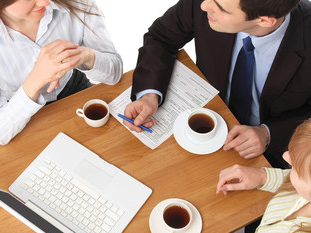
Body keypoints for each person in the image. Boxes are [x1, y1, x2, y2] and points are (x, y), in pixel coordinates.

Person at [122, 0, 311, 169]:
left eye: (220, 8)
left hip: (268, 155)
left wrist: (268, 134)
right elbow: (161, 37)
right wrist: (149, 95)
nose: (204, 5)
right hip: (201, 118)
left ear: (265, 20)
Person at [0, 0, 122, 145]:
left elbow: (115, 74)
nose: (45, 2)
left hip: (75, 91)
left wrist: (87, 56)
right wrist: (36, 80)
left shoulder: (76, 3)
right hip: (19, 114)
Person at [216, 118, 311, 233]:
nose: (285, 156)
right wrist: (264, 177)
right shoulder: (304, 188)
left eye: (297, 167)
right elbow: (295, 186)